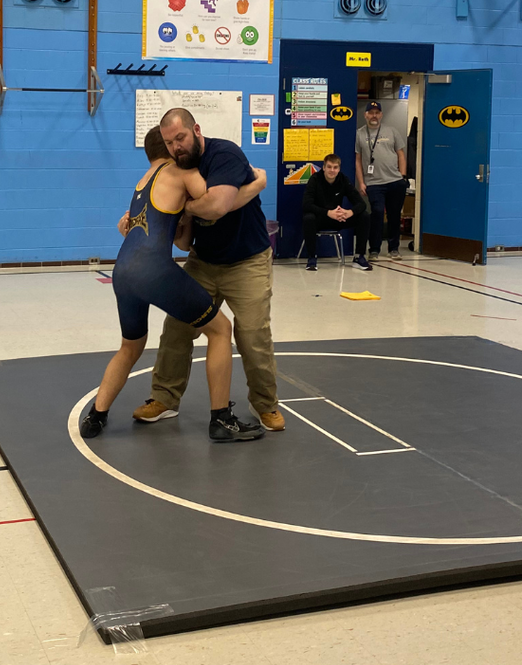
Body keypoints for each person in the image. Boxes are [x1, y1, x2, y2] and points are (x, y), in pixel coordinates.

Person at [81, 126, 266, 444]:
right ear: (168, 150)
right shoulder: (181, 171)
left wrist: (184, 217)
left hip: (123, 272)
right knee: (220, 330)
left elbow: (181, 240)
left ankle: (96, 416)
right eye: (174, 143)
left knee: (130, 347)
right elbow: (217, 202)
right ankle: (221, 419)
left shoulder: (142, 183)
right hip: (154, 271)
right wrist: (257, 183)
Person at [132, 108, 286, 432]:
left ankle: (265, 404)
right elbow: (184, 243)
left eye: (181, 138)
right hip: (203, 261)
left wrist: (186, 208)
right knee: (177, 326)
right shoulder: (177, 170)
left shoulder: (224, 154)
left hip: (247, 260)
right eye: (170, 143)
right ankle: (164, 398)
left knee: (253, 334)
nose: (177, 147)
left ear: (196, 130)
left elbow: (217, 205)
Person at [354, 100, 409, 260]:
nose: (374, 116)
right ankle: (374, 249)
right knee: (377, 213)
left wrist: (403, 176)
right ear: (365, 115)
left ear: (381, 115)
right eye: (371, 113)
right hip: (374, 183)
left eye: (377, 113)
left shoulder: (392, 131)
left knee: (394, 215)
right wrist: (361, 182)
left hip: (395, 181)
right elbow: (358, 160)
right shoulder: (359, 134)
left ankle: (394, 248)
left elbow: (401, 154)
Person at [301, 153, 372, 272]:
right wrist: (328, 212)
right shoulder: (315, 179)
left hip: (338, 218)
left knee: (364, 216)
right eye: (329, 167)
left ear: (339, 169)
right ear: (324, 168)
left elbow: (361, 204)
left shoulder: (343, 180)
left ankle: (359, 257)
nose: (332, 170)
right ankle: (312, 258)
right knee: (308, 218)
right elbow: (306, 205)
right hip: (320, 218)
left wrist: (350, 212)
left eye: (335, 167)